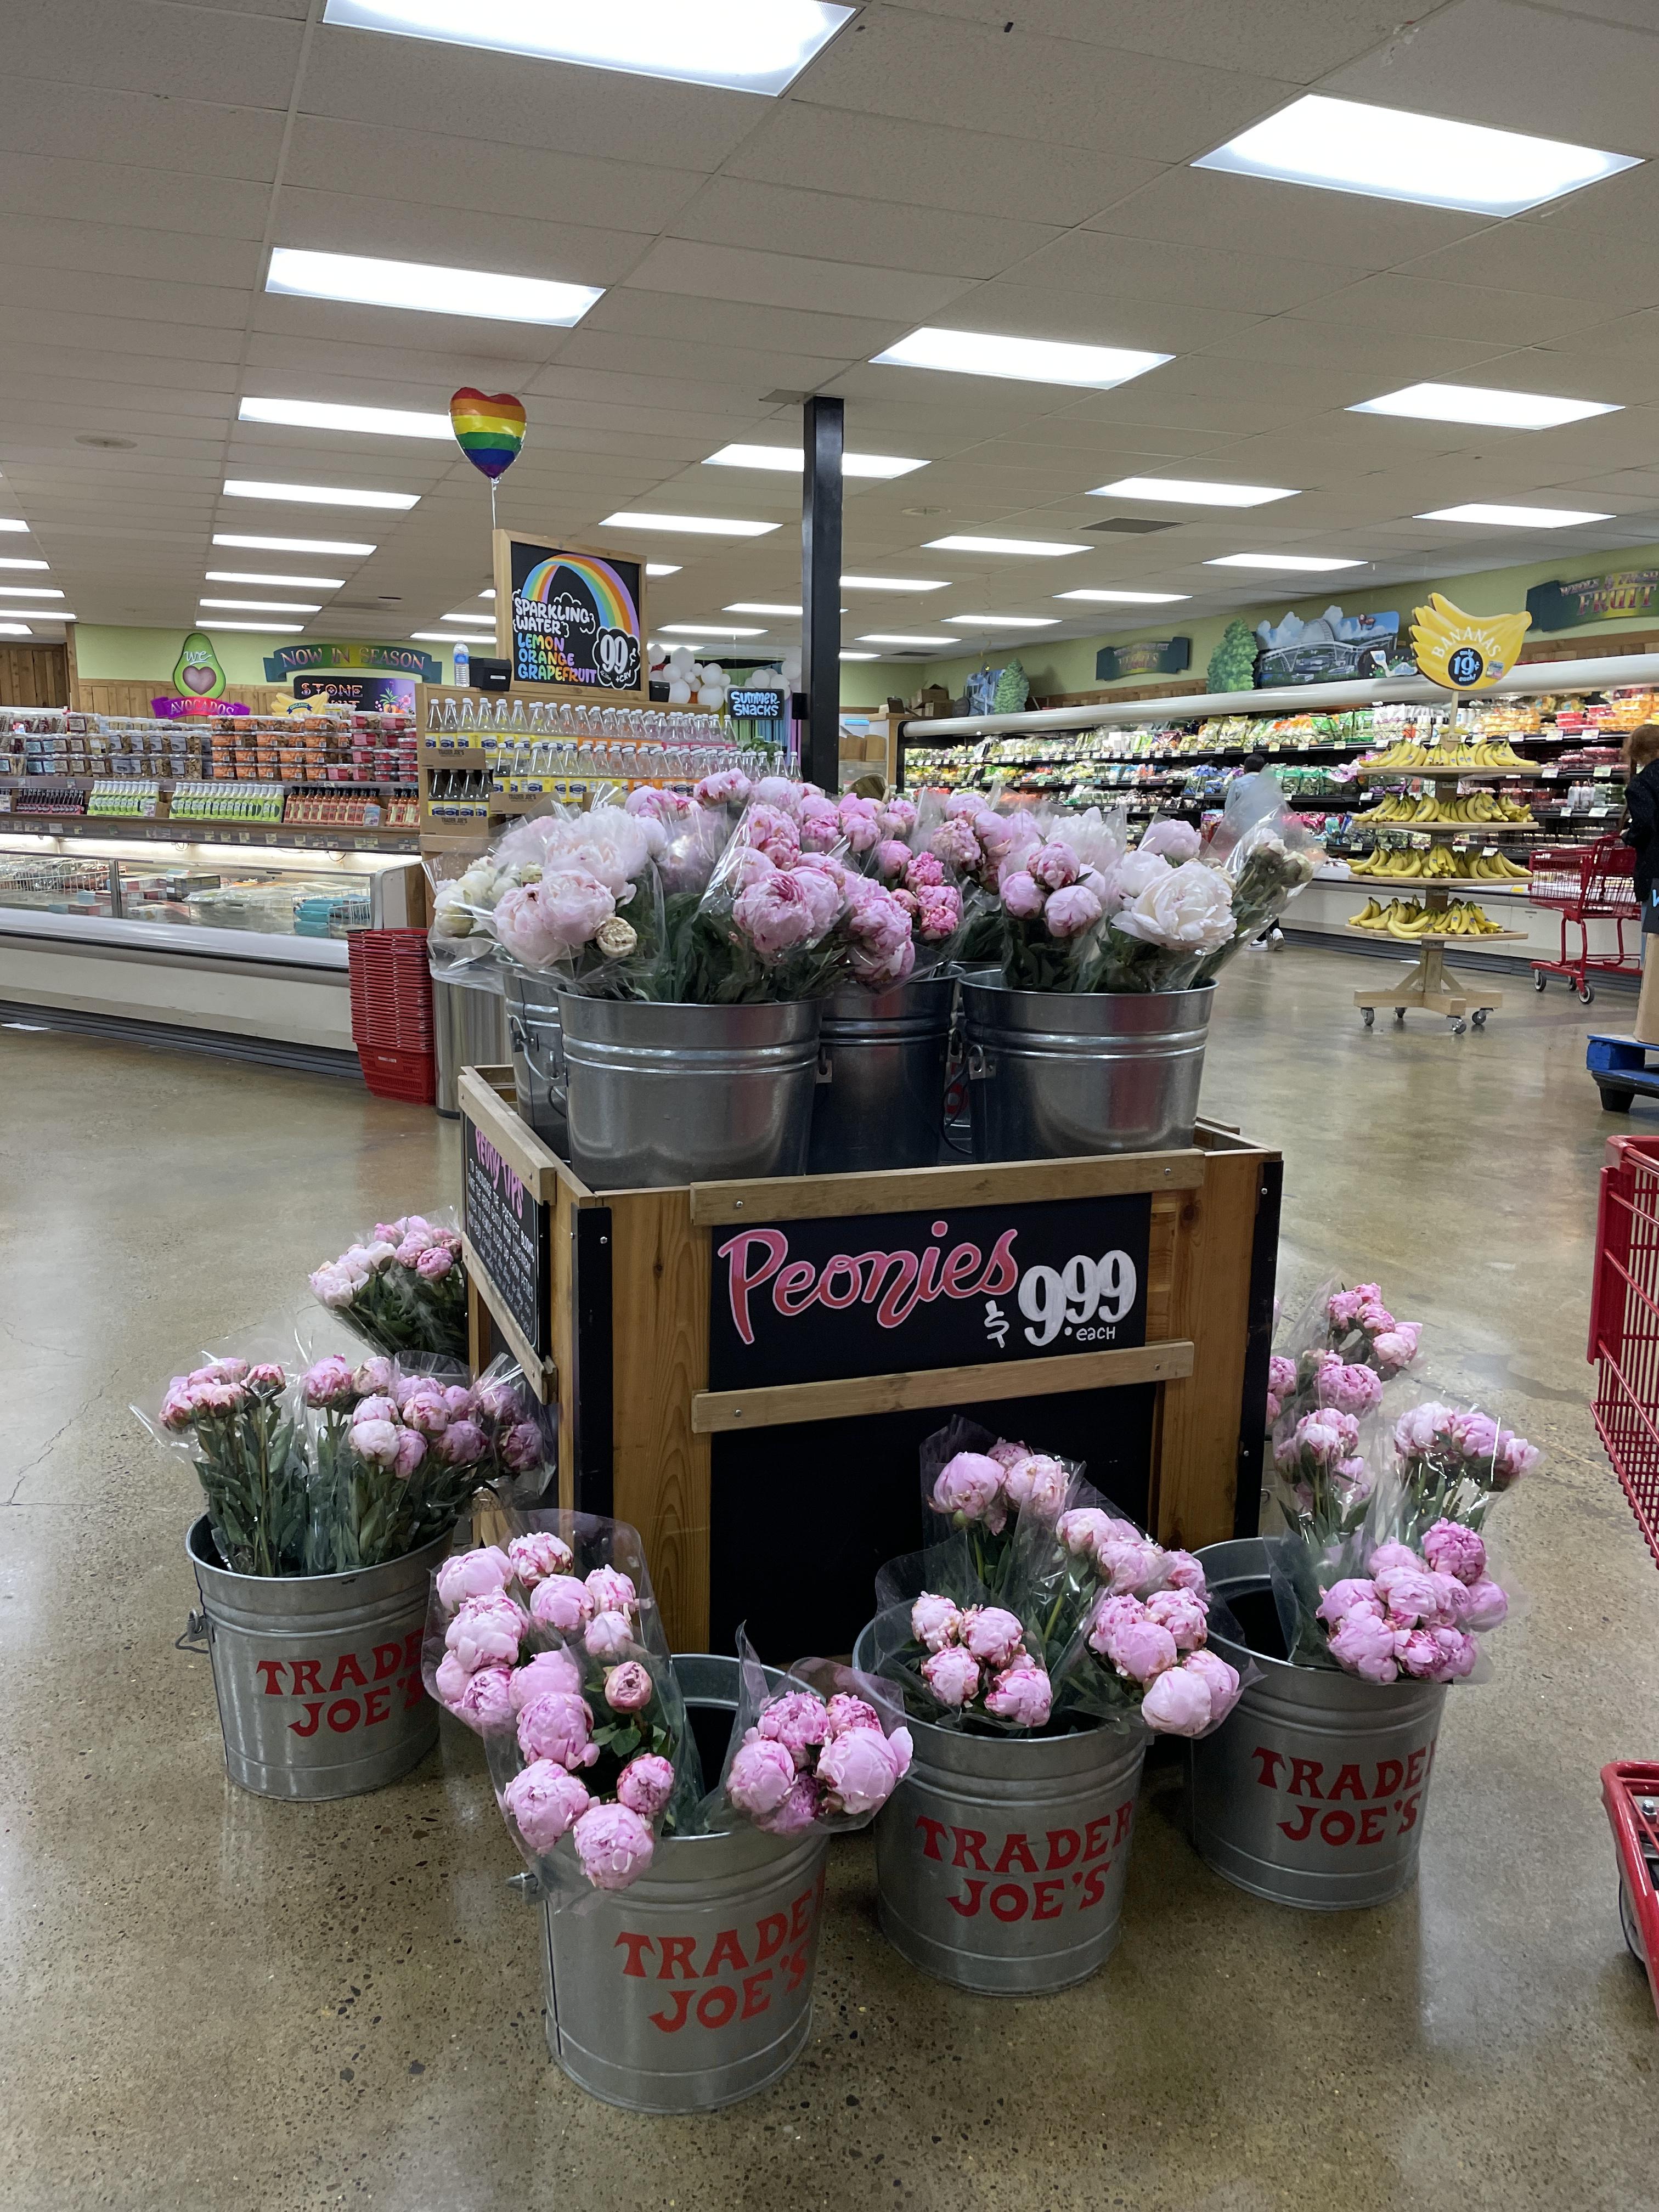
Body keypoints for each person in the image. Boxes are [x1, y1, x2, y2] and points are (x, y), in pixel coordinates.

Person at [1621, 723, 1659, 1040]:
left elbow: (1645, 824)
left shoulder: (1642, 784)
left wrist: (1628, 836)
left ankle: (1651, 1013)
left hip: (1657, 875)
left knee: (1654, 938)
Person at [1237, 753, 1285, 949]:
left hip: (1250, 841)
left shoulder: (1239, 784)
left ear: (1245, 768)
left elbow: (1231, 814)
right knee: (1269, 884)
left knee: (1251, 886)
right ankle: (1275, 929)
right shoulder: (1272, 785)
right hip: (1273, 841)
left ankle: (1258, 938)